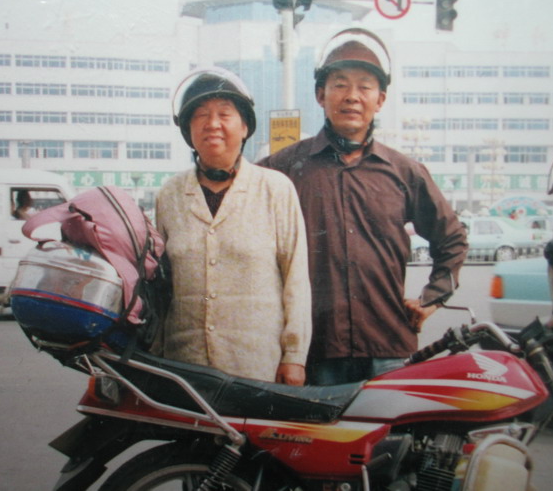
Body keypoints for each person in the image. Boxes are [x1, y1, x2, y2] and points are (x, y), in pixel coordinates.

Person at [259, 28, 468, 385]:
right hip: (313, 352)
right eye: (340, 85)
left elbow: (452, 239)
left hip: (388, 347)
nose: (352, 97)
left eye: (365, 87)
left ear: (380, 99)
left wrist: (432, 298)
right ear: (320, 95)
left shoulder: (405, 172)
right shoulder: (283, 168)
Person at [154, 67, 312, 385]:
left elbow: (296, 279)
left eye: (224, 114)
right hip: (184, 366)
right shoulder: (169, 195)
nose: (212, 124)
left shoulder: (275, 189)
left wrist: (294, 356)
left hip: (257, 367)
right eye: (200, 115)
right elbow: (159, 286)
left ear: (244, 126)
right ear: (187, 130)